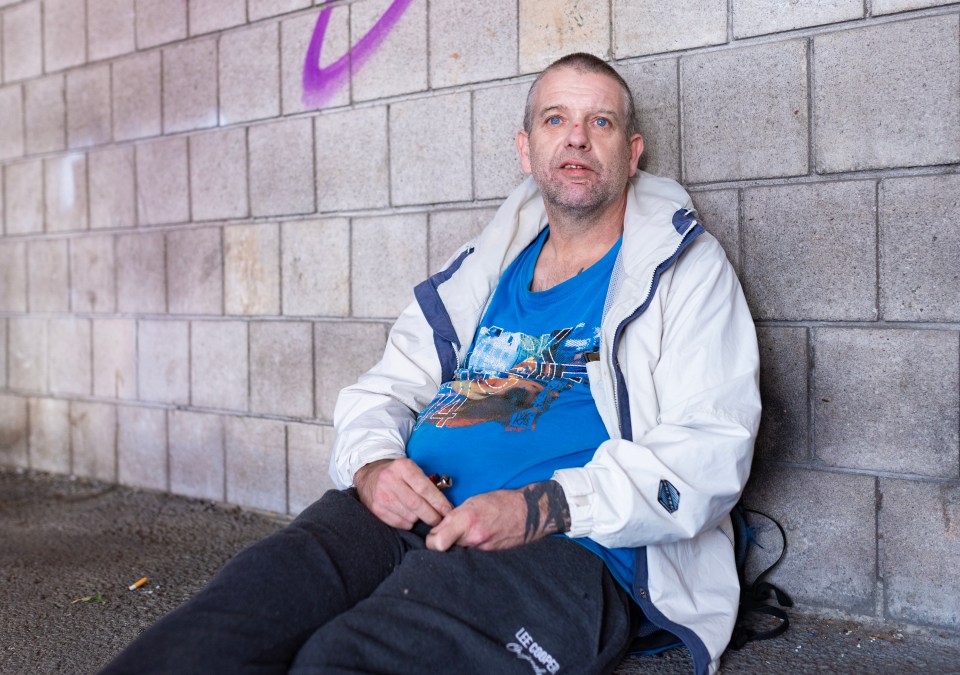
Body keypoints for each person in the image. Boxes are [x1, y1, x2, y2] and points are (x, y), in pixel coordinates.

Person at [102, 52, 760, 675]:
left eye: (601, 122)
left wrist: (543, 506)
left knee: (343, 659)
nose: (578, 139)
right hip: (406, 508)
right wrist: (372, 466)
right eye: (555, 119)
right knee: (218, 631)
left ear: (631, 151)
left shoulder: (683, 270)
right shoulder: (489, 265)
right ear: (526, 148)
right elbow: (383, 386)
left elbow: (708, 450)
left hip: (562, 546)